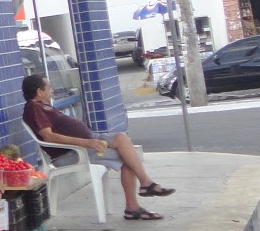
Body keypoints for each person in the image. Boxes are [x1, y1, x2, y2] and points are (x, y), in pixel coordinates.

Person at [21, 75, 175, 219]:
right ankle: (134, 205)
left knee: (122, 138)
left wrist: (89, 140)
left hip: (88, 141)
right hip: (73, 152)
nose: (52, 90)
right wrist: (87, 143)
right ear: (39, 91)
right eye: (48, 87)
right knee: (127, 157)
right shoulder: (33, 108)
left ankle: (145, 184)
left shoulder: (44, 106)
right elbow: (49, 136)